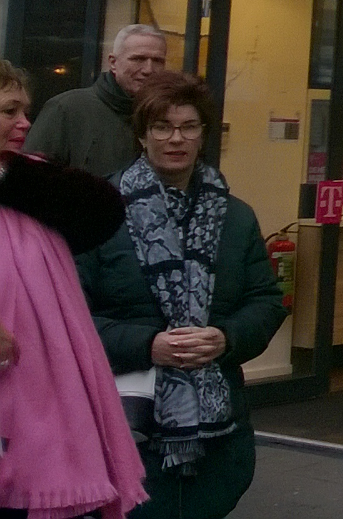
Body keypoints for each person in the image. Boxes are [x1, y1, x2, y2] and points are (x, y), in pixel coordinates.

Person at [78, 72, 287, 519]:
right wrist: (147, 345)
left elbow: (266, 302)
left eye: (189, 127)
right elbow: (69, 316)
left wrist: (226, 338)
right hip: (125, 421)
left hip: (219, 435)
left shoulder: (236, 216)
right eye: (162, 127)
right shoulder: (96, 211)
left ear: (203, 134)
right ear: (141, 135)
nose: (176, 139)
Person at [0, 58, 147, 519]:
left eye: (26, 110)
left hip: (40, 387)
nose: (25, 123)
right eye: (9, 111)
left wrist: (9, 176)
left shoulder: (27, 178)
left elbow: (102, 210)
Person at [26, 24, 168, 178]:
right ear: (113, 63)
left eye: (157, 61)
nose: (148, 69)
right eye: (138, 59)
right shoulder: (67, 109)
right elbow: (29, 178)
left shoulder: (168, 115)